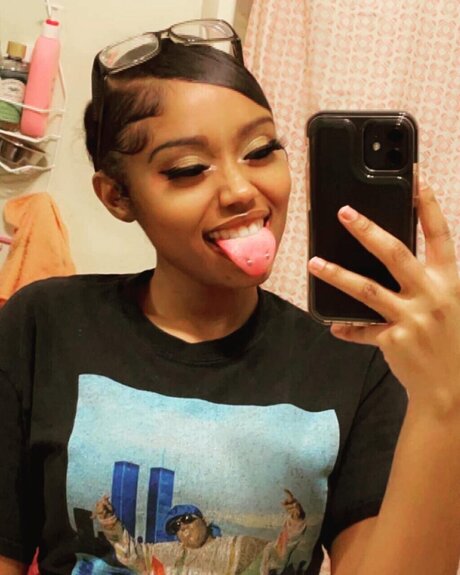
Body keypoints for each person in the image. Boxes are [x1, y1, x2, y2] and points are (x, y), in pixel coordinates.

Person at [0, 17, 459, 575]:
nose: (242, 189)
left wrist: (445, 400)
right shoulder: (43, 322)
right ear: (118, 196)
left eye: (261, 150)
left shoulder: (357, 361)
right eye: (189, 168)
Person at [93, 490, 311, 574]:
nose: (183, 527)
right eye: (176, 527)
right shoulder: (164, 553)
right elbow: (129, 552)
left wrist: (295, 521)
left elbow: (275, 555)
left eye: (188, 519)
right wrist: (109, 522)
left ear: (204, 521)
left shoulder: (238, 547)